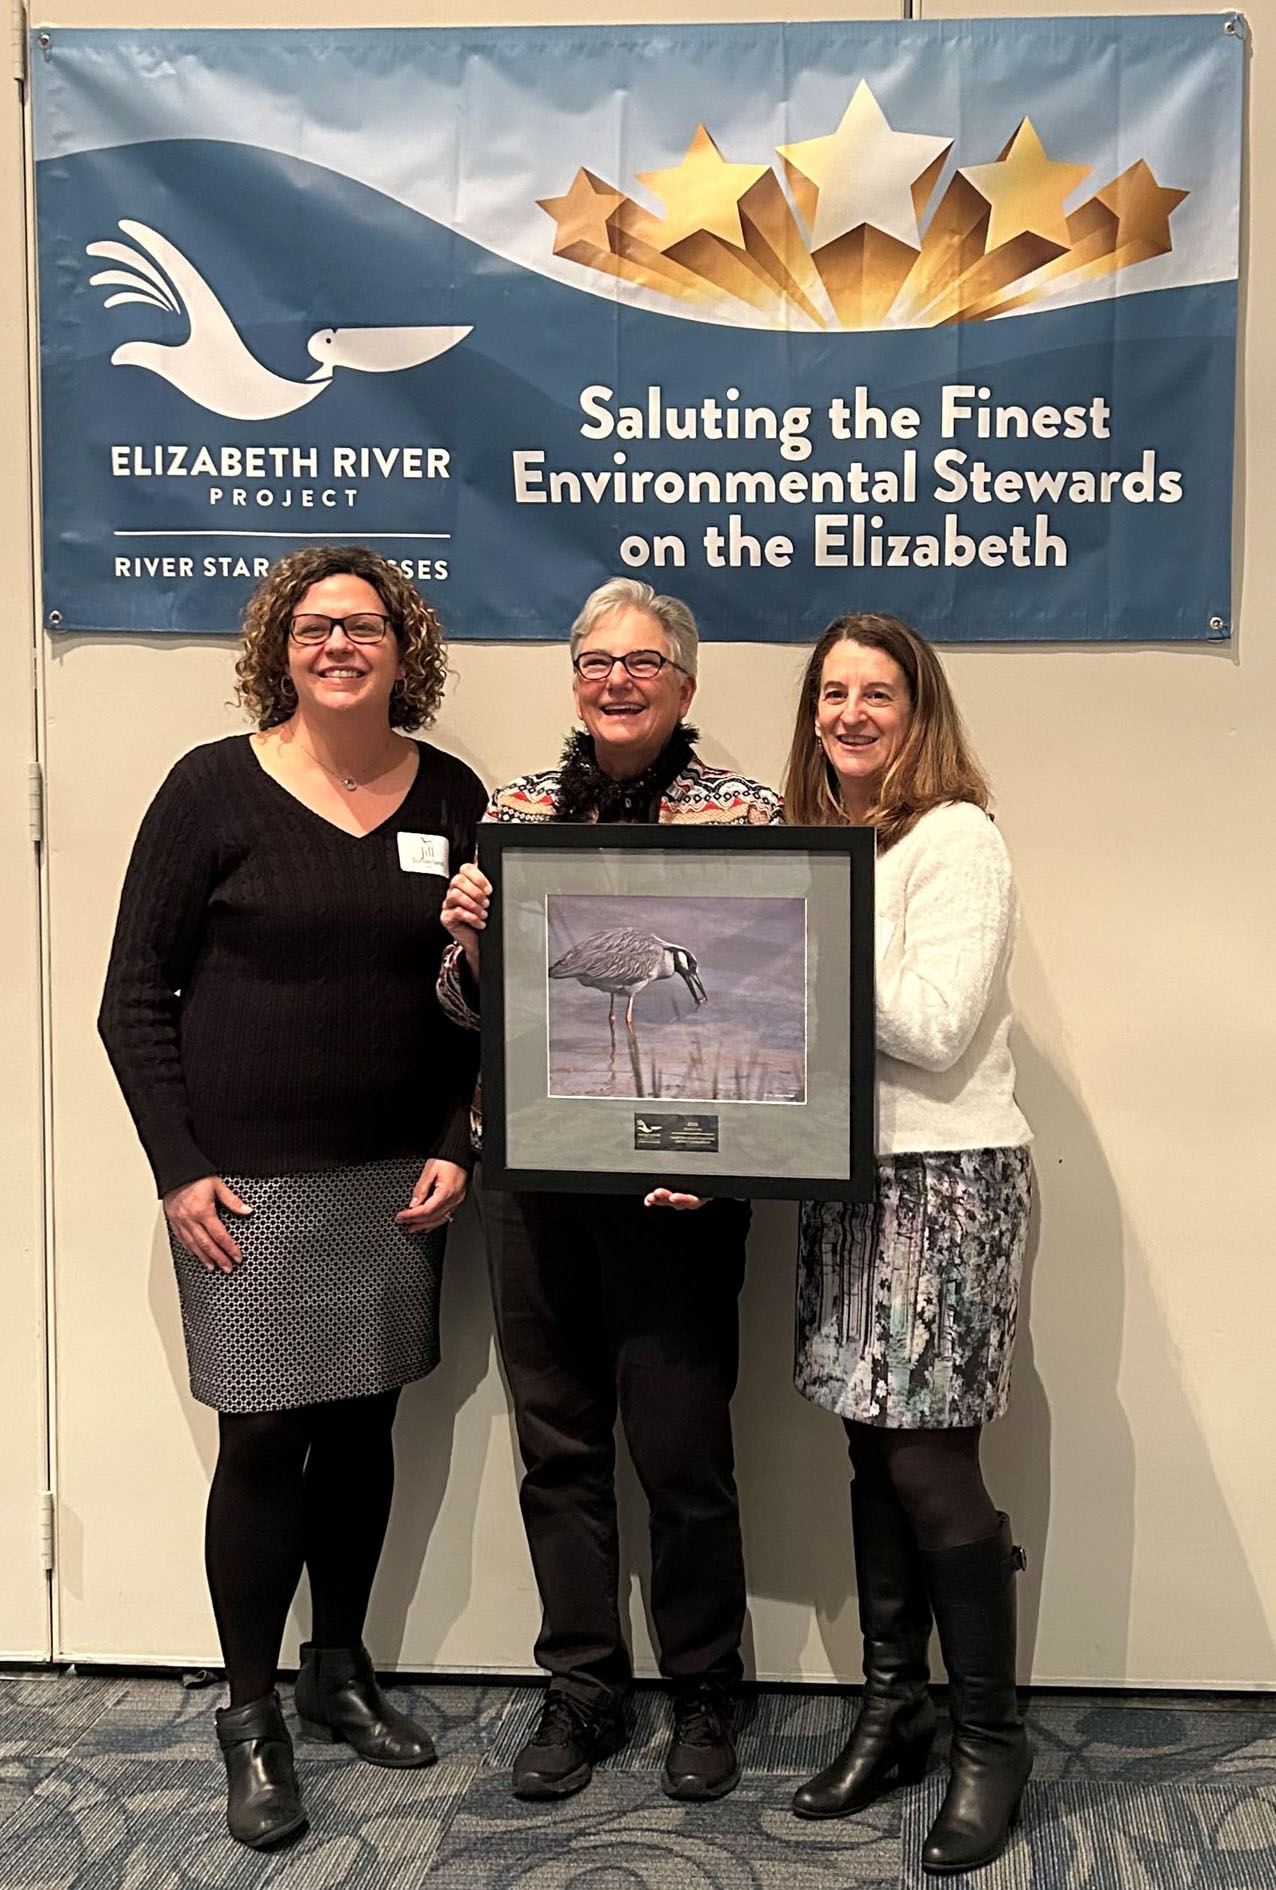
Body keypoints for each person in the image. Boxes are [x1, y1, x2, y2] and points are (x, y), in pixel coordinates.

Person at [98, 545, 488, 1850]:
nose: (339, 645)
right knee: (266, 1440)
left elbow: (483, 996)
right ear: (280, 647)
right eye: (314, 626)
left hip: (395, 1179)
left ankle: (339, 1669)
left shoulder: (452, 794)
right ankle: (251, 1713)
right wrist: (178, 1167)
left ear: (402, 647)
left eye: (364, 625)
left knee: (367, 1426)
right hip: (248, 1188)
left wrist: (458, 1137)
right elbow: (131, 997)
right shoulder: (210, 788)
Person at [438, 577, 780, 1804]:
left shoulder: (744, 813)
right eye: (595, 662)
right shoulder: (515, 809)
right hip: (531, 1170)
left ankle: (705, 1686)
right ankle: (582, 1685)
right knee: (557, 1443)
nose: (616, 682)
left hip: (673, 1181)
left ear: (685, 684)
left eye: (642, 663)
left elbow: (767, 1004)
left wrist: (726, 1163)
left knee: (681, 1450)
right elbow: (471, 1010)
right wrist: (469, 944)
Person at [781, 614, 1033, 1876]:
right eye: (832, 694)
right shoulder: (822, 845)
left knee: (930, 1462)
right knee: (868, 1449)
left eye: (877, 693)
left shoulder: (955, 837)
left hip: (945, 1179)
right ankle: (896, 1708)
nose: (851, 714)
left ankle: (991, 1739)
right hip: (842, 1178)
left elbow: (933, 1029)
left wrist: (797, 933)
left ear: (917, 710)